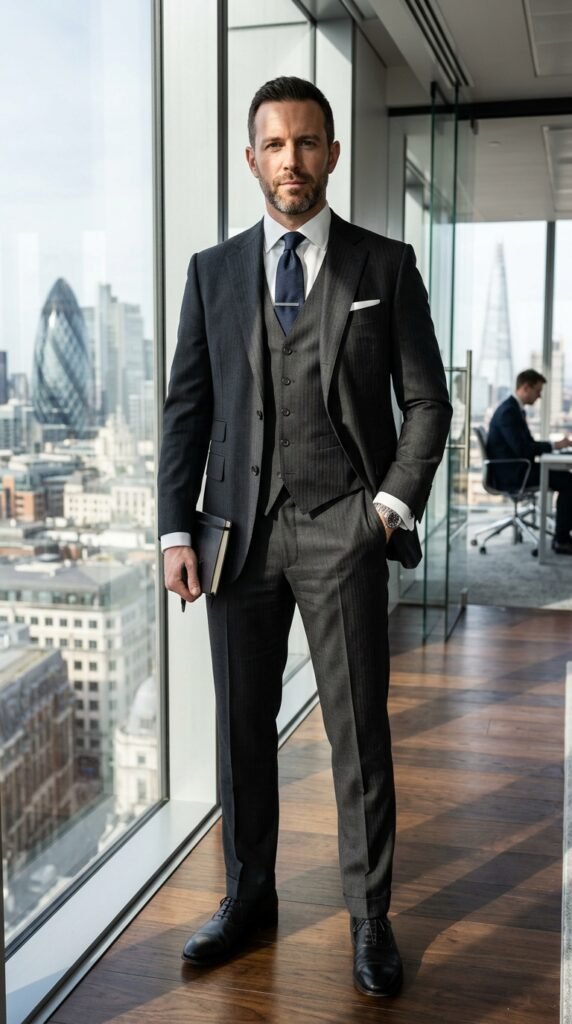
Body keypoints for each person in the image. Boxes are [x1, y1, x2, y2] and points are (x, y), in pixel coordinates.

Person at [158, 76, 451, 997]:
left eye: (308, 142)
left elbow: (428, 405)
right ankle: (249, 899)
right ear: (253, 159)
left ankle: (371, 919)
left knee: (358, 735)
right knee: (242, 734)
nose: (292, 159)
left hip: (343, 531)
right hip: (235, 539)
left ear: (332, 153)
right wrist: (175, 530)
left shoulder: (386, 265)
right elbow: (186, 411)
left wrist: (387, 511)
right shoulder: (211, 272)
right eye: (275, 144)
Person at [487, 369, 572, 555]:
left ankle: (562, 536)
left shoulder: (513, 409)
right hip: (514, 473)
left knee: (566, 478)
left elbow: (527, 445)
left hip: (518, 468)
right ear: (526, 387)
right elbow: (523, 449)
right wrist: (555, 445)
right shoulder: (509, 412)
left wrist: (555, 447)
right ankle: (562, 540)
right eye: (538, 391)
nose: (539, 396)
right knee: (568, 483)